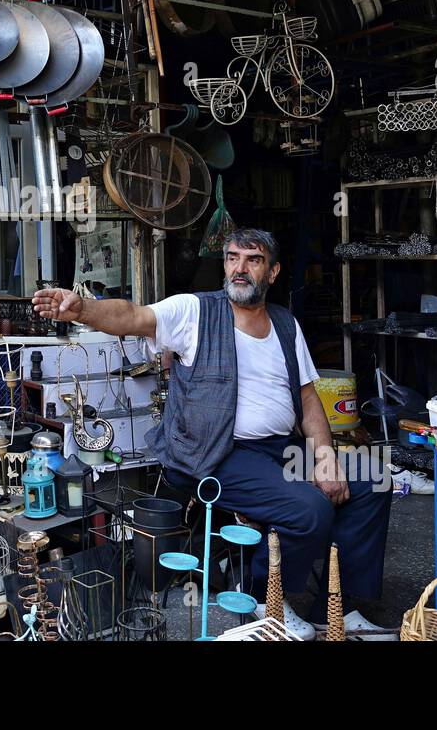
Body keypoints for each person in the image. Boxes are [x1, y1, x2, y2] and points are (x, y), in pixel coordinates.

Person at [32, 228, 393, 639]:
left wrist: (325, 456)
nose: (239, 269)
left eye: (252, 260)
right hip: (218, 455)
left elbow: (308, 397)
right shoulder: (195, 312)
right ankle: (264, 599)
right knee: (308, 509)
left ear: (272, 272)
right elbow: (132, 316)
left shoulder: (285, 325)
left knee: (373, 480)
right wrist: (83, 309)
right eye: (231, 258)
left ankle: (335, 606)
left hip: (279, 450)